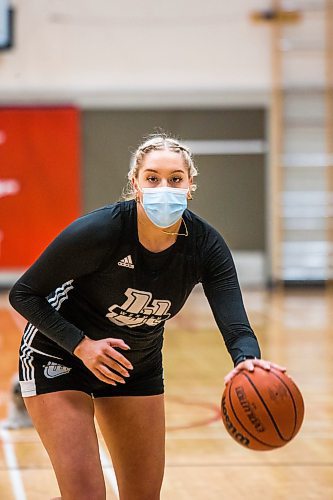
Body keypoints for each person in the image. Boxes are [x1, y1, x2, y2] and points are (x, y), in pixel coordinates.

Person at [9, 134, 285, 500]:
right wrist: (81, 346)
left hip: (134, 365)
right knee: (86, 494)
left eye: (175, 179)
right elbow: (24, 294)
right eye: (152, 178)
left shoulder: (206, 246)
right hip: (59, 355)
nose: (164, 187)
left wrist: (247, 363)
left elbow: (236, 326)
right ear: (135, 184)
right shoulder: (102, 231)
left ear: (190, 186)